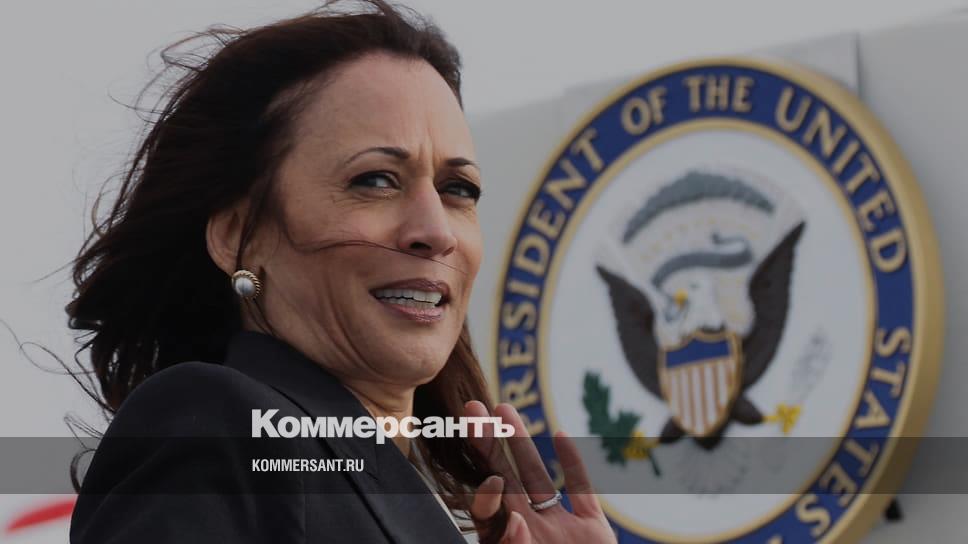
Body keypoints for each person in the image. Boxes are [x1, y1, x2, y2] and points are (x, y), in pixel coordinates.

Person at [65, 2, 617, 543]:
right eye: (375, 180)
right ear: (238, 236)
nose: (436, 231)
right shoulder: (219, 426)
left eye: (458, 189)